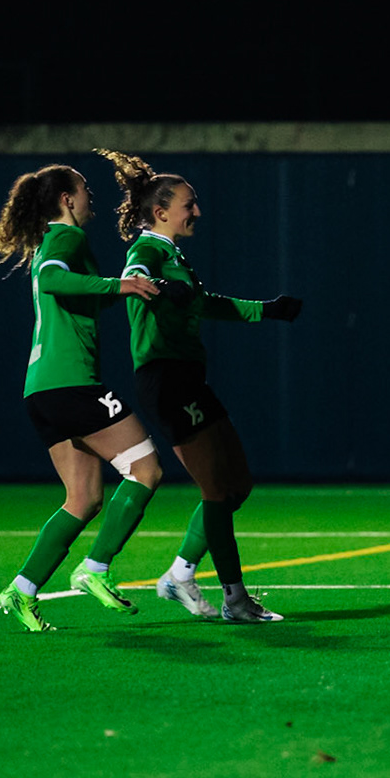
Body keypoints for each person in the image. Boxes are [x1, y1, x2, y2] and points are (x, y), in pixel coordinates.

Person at [96, 148, 302, 624]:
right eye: (189, 204)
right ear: (160, 211)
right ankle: (235, 599)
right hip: (166, 381)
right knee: (215, 490)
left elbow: (201, 302)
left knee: (238, 485)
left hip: (189, 378)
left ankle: (180, 573)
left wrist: (266, 309)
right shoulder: (147, 249)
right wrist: (156, 285)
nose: (197, 212)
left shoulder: (173, 253)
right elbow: (135, 275)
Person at [0, 163, 167, 632]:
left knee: (82, 498)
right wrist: (122, 283)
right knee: (146, 469)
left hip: (40, 389)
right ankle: (94, 569)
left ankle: (20, 590)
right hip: (72, 383)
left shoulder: (51, 242)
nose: (90, 195)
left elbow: (82, 296)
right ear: (66, 199)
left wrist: (126, 289)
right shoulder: (67, 238)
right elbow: (55, 280)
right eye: (84, 189)